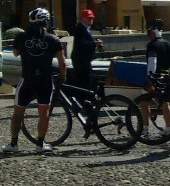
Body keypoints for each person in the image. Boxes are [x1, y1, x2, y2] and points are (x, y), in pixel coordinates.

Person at [5, 8, 67, 153]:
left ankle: (14, 144)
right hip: (45, 80)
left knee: (18, 111)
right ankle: (40, 144)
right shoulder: (53, 39)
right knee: (43, 112)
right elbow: (62, 62)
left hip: (27, 78)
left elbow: (15, 53)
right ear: (45, 21)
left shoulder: (21, 37)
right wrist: (62, 76)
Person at [141, 20, 170, 138]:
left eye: (148, 31)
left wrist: (150, 79)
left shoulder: (152, 45)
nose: (147, 34)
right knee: (166, 103)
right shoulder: (169, 44)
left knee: (144, 102)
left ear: (152, 31)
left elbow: (152, 63)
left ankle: (145, 128)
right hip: (167, 78)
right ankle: (167, 128)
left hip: (156, 78)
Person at [69, 9, 100, 90]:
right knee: (84, 83)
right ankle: (81, 100)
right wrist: (94, 44)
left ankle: (83, 99)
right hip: (81, 61)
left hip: (83, 60)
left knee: (86, 82)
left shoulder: (85, 29)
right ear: (82, 18)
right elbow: (80, 44)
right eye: (89, 18)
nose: (91, 20)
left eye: (92, 18)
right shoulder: (80, 29)